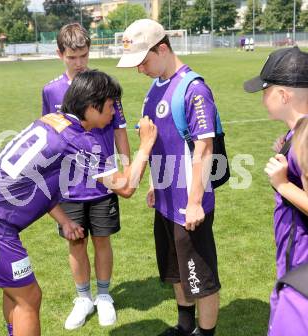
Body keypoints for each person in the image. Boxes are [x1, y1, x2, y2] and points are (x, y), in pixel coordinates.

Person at [0, 70, 157, 336]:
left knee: (14, 291)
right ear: (90, 106)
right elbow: (126, 187)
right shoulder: (79, 141)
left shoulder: (51, 120)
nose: (113, 113)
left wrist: (63, 219)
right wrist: (145, 144)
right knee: (29, 298)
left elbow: (37, 180)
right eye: (110, 106)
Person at [117, 19, 220, 336]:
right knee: (176, 270)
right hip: (165, 199)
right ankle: (184, 325)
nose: (140, 69)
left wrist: (194, 203)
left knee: (199, 275)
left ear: (162, 49)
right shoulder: (155, 87)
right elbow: (161, 139)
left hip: (188, 205)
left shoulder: (193, 89)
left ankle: (205, 332)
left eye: (143, 61)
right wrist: (152, 183)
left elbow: (204, 149)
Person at [42, 23, 130, 329]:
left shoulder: (104, 86)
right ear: (60, 55)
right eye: (72, 57)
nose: (79, 63)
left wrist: (127, 165)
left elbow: (119, 129)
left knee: (102, 240)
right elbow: (49, 132)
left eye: (84, 55)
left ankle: (104, 296)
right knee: (76, 243)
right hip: (68, 185)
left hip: (103, 181)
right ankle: (83, 298)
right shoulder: (50, 90)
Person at [244, 46, 308, 336]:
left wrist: (282, 184)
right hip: (294, 256)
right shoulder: (298, 133)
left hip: (302, 263)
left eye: (265, 91)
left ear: (283, 95)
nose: (262, 99)